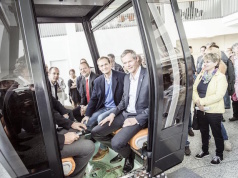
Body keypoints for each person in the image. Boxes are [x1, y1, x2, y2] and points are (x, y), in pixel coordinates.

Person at [92, 49, 149, 173]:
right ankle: (126, 151)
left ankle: (128, 156)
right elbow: (123, 101)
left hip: (139, 116)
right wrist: (112, 114)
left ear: (137, 59)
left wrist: (136, 119)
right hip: (125, 114)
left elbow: (155, 104)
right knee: (96, 132)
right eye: (125, 63)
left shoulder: (148, 76)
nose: (128, 65)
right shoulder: (127, 77)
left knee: (116, 142)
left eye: (130, 61)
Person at [81, 56, 125, 161]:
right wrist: (87, 115)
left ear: (110, 64)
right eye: (101, 65)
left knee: (101, 118)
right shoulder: (98, 81)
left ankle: (103, 148)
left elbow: (125, 97)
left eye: (106, 64)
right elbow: (93, 99)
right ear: (99, 68)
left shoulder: (122, 76)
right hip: (105, 107)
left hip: (117, 108)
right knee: (87, 123)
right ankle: (108, 142)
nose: (104, 67)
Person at [193, 53, 227, 165]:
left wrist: (201, 102)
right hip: (200, 109)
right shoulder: (201, 74)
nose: (205, 64)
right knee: (203, 132)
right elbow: (194, 90)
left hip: (213, 110)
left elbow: (219, 95)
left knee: (217, 133)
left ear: (216, 63)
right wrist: (198, 102)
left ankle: (219, 155)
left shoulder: (220, 77)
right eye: (204, 61)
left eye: (208, 62)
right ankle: (205, 150)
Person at [229, 43, 238, 121]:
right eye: (235, 48)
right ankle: (235, 115)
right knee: (234, 99)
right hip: (234, 81)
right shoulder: (232, 58)